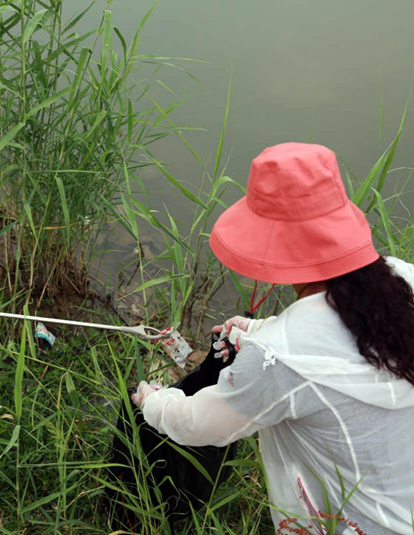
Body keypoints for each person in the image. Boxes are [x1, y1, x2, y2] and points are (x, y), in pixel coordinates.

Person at [131, 142, 414, 534]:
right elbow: (337, 341)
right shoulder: (401, 280)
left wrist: (155, 404)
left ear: (277, 244)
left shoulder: (279, 359)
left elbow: (203, 424)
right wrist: (260, 330)